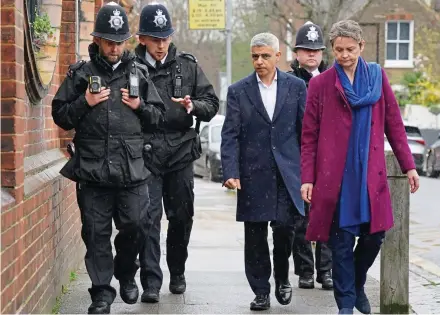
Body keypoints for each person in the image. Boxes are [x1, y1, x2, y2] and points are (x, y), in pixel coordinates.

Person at [52, 2, 165, 314]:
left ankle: (126, 272)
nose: (115, 48)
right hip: (92, 169)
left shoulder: (139, 72)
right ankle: (101, 294)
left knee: (137, 225)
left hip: (131, 170)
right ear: (98, 41)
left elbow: (158, 117)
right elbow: (60, 115)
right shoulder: (81, 74)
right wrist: (85, 103)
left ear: (127, 42)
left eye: (120, 42)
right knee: (95, 233)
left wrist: (140, 106)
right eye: (109, 41)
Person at [300, 20, 420, 314]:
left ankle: (357, 281)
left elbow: (394, 125)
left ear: (361, 47)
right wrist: (307, 179)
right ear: (332, 49)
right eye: (339, 49)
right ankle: (345, 305)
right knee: (339, 243)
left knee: (374, 236)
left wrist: (409, 166)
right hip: (336, 177)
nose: (344, 55)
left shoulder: (377, 78)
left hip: (371, 176)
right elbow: (309, 136)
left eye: (350, 49)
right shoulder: (320, 84)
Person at [134, 3, 219, 303]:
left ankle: (178, 270)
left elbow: (212, 103)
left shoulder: (187, 65)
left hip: (181, 152)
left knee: (181, 216)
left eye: (165, 38)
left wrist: (193, 106)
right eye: (155, 39)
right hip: (145, 152)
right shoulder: (133, 67)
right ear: (142, 38)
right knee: (148, 218)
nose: (161, 45)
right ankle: (151, 281)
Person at [221, 32, 307, 311]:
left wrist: (309, 175)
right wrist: (230, 171)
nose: (259, 61)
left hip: (287, 175)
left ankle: (282, 277)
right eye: (255, 56)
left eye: (265, 56)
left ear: (278, 56)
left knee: (284, 229)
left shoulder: (296, 88)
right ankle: (260, 290)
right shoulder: (238, 91)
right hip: (252, 175)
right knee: (255, 236)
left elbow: (305, 133)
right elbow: (230, 135)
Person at [288, 21, 333, 291]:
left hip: (327, 158)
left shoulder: (332, 79)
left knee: (326, 215)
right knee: (300, 219)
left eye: (316, 50)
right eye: (306, 50)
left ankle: (325, 271)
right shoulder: (288, 81)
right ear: (297, 53)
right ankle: (305, 270)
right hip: (296, 158)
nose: (311, 54)